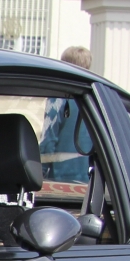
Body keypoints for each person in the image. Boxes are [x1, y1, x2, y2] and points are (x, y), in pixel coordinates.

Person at [39, 46, 95, 183]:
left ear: (64, 65)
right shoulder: (95, 98)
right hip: (88, 178)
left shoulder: (58, 97)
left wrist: (40, 171)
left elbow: (49, 138)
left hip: (60, 178)